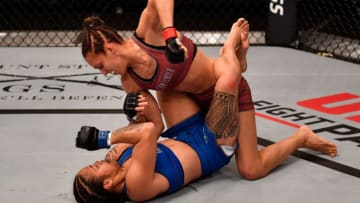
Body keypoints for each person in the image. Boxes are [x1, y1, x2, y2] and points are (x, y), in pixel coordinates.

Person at [73, 90, 337, 203]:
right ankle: (301, 136)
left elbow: (155, 124)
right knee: (227, 81)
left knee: (153, 87)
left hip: (184, 131)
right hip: (212, 147)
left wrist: (135, 109)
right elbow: (149, 131)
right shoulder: (136, 186)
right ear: (107, 184)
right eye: (92, 169)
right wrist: (103, 138)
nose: (94, 162)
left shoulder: (118, 156)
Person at [80, 0, 251, 148]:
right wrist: (132, 115)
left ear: (110, 49)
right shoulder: (130, 81)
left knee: (251, 169)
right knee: (198, 147)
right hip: (190, 100)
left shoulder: (148, 34)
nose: (103, 73)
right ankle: (233, 58)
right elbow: (154, 126)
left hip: (222, 84)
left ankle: (230, 52)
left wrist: (170, 38)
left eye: (100, 65)